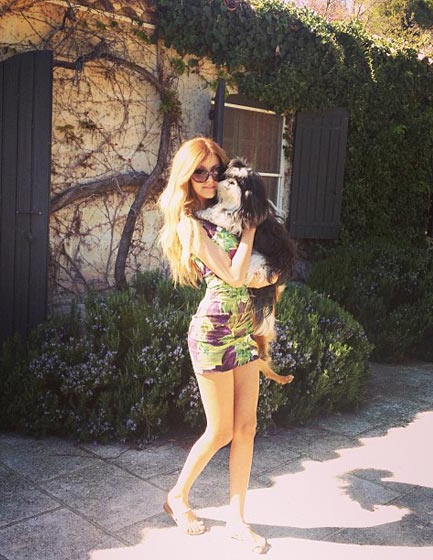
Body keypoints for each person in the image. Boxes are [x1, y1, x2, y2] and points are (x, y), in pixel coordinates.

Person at [158, 137, 277, 554]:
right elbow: (233, 274)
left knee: (247, 428)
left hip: (243, 331)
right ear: (186, 178)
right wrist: (250, 229)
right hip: (212, 333)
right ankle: (177, 496)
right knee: (221, 429)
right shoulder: (191, 224)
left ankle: (237, 520)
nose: (209, 180)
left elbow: (260, 272)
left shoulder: (226, 212)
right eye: (200, 173)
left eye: (215, 171)